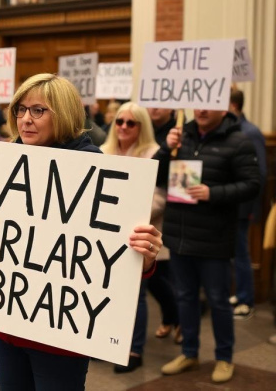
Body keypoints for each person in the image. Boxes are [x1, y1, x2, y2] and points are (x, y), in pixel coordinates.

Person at [0, 73, 163, 390]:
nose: (25, 119)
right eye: (21, 109)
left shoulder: (94, 167)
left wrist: (145, 258)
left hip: (60, 335)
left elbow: (109, 257)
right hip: (4, 324)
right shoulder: (4, 159)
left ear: (62, 113)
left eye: (38, 110)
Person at [156, 108, 261, 384]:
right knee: (186, 297)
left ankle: (224, 358)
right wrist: (166, 149)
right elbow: (156, 175)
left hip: (214, 237)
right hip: (180, 234)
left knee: (217, 300)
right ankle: (189, 353)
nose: (201, 109)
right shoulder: (181, 136)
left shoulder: (238, 141)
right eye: (198, 104)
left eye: (209, 104)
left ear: (223, 105)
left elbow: (252, 184)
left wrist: (212, 193)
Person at [101, 102, 162, 373]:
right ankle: (106, 342)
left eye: (131, 122)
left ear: (142, 126)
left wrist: (128, 210)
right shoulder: (103, 152)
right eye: (120, 121)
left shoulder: (154, 154)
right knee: (108, 290)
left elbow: (160, 197)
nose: (123, 126)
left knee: (137, 294)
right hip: (106, 233)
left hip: (138, 235)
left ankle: (134, 349)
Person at [228, 88, 266, 320]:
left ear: (232, 105)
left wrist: (251, 207)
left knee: (241, 253)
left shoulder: (250, 132)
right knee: (233, 252)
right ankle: (238, 292)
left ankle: (246, 300)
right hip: (229, 203)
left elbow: (259, 173)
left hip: (242, 205)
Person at [147, 107, 181, 344]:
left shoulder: (182, 132)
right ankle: (172, 318)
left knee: (166, 279)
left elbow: (180, 181)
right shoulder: (155, 134)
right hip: (160, 213)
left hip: (174, 215)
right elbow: (152, 170)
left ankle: (179, 321)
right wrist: (165, 148)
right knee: (156, 279)